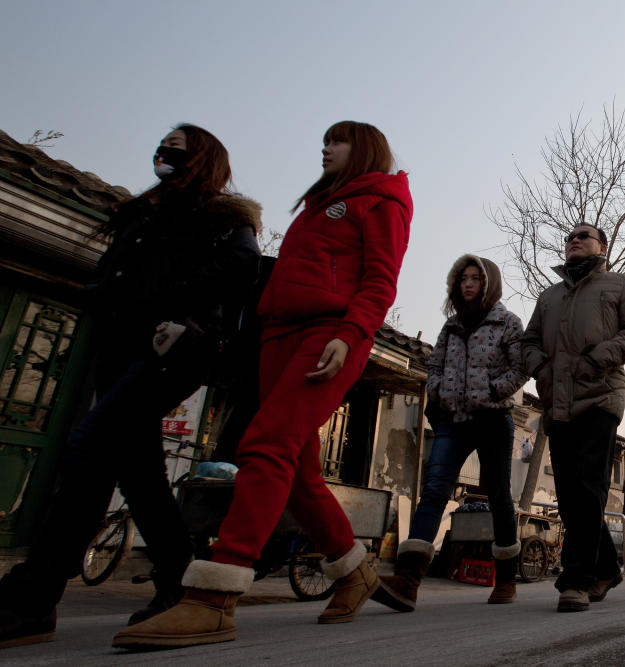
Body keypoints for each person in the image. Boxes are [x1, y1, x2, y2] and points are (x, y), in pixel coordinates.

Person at [113, 121, 413, 649]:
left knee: (265, 444)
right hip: (277, 335)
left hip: (329, 334)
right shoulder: (319, 204)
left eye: (337, 140)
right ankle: (354, 572)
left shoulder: (381, 200)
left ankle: (214, 597)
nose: (325, 147)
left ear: (363, 149)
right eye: (324, 139)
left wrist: (350, 334)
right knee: (297, 471)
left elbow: (380, 279)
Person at [0, 124, 262, 649]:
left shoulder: (220, 218)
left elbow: (241, 267)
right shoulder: (140, 212)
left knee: (89, 447)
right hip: (118, 349)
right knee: (136, 468)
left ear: (203, 160)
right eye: (163, 146)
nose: (164, 154)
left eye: (178, 149)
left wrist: (173, 309)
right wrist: (99, 295)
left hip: (170, 350)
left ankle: (34, 595)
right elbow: (113, 275)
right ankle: (179, 583)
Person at [375, 255, 527, 610]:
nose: (469, 284)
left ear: (489, 283)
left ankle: (505, 578)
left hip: (493, 420)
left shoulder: (507, 322)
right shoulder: (451, 327)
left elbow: (522, 367)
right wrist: (438, 393)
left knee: (500, 496)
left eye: (476, 278)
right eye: (463, 279)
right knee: (433, 492)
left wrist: (492, 391)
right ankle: (407, 582)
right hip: (453, 421)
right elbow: (435, 365)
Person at [521, 223, 625, 612]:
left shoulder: (622, 285)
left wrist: (599, 358)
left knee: (588, 487)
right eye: (569, 238)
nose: (573, 240)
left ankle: (575, 580)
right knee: (570, 492)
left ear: (602, 247)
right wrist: (540, 369)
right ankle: (607, 567)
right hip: (557, 404)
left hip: (600, 398)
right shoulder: (549, 296)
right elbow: (528, 341)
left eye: (583, 236)